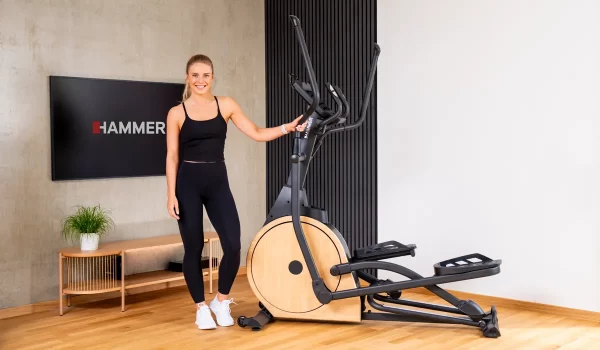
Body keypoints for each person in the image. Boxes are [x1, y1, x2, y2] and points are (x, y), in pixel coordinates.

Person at [165, 54, 307, 330]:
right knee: (192, 247)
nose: (201, 80)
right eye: (195, 75)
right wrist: (171, 194)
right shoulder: (177, 113)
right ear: (187, 78)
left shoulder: (226, 105)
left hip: (218, 180)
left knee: (233, 244)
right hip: (187, 183)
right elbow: (172, 156)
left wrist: (287, 128)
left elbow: (255, 132)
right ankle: (201, 308)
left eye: (206, 75)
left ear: (212, 77)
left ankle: (221, 300)